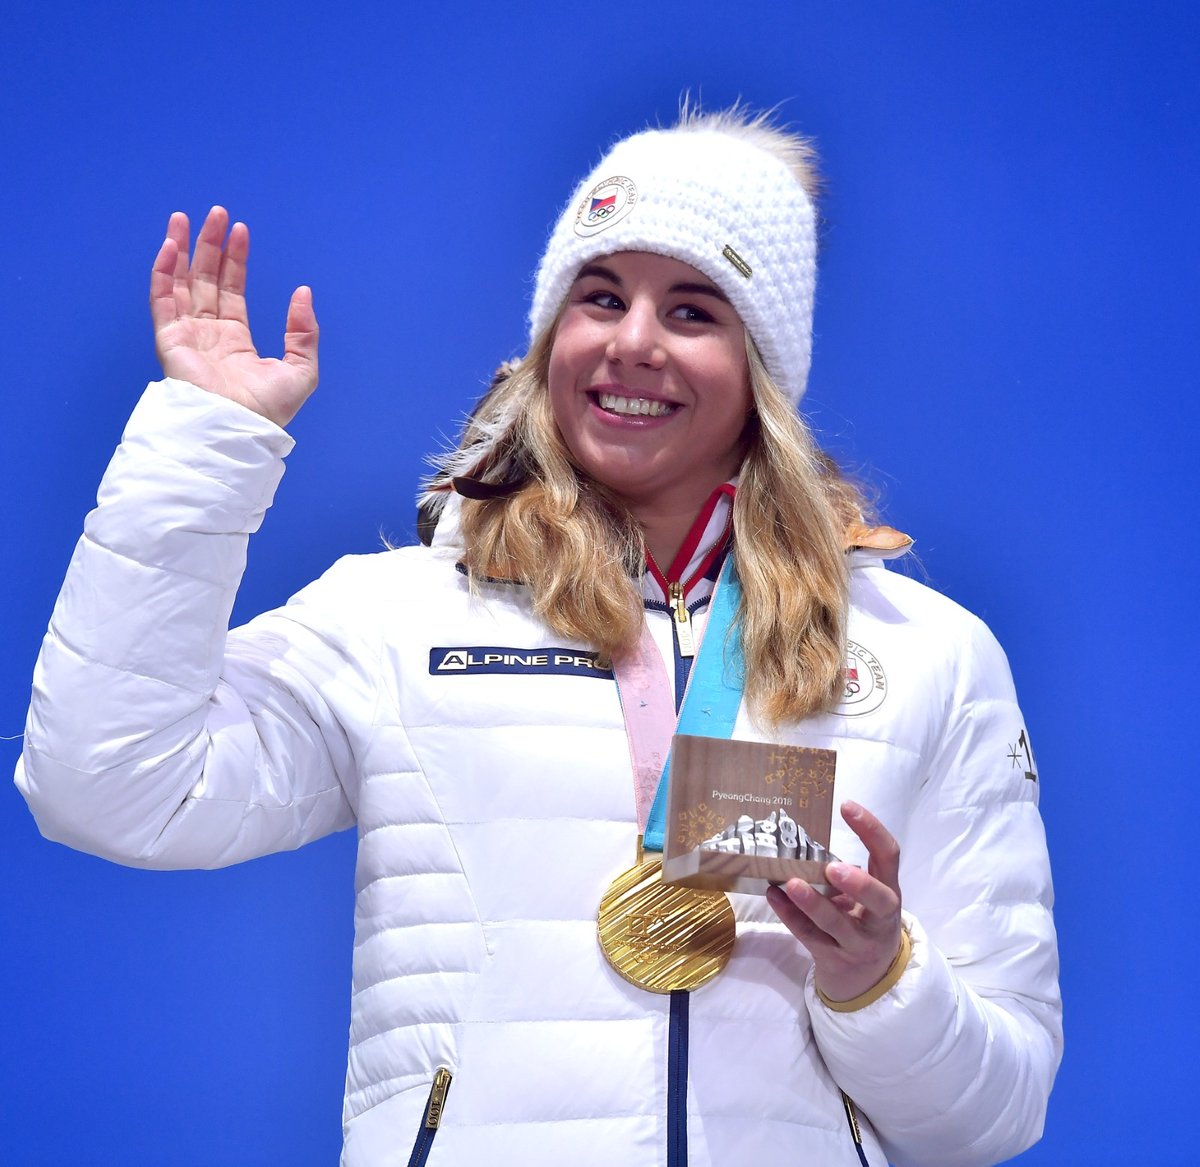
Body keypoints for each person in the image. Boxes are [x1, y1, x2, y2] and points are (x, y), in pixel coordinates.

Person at [16, 106, 1061, 1167]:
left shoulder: (927, 652)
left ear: (763, 373)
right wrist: (208, 437)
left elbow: (996, 1113)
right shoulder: (402, 617)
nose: (632, 341)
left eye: (693, 311)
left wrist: (880, 978)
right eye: (599, 297)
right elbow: (109, 787)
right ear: (548, 337)